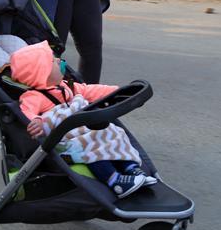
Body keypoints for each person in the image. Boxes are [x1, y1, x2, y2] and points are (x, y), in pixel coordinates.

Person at [9, 41, 152, 198]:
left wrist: (118, 91)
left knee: (113, 133)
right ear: (42, 73)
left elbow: (89, 90)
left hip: (82, 129)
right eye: (53, 61)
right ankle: (115, 181)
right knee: (91, 145)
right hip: (65, 139)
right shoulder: (34, 96)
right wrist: (37, 121)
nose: (59, 60)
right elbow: (27, 111)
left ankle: (131, 168)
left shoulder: (67, 86)